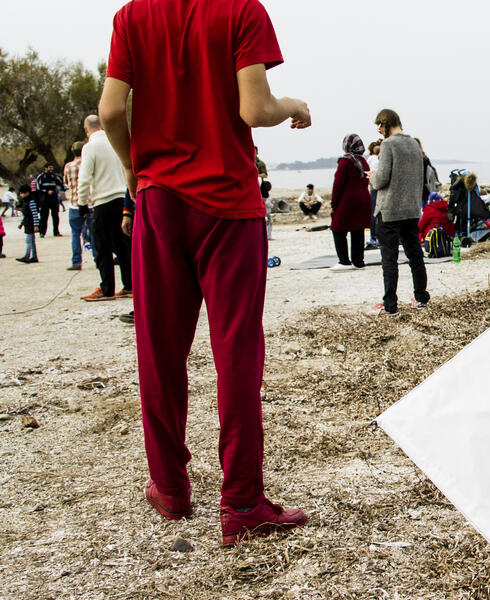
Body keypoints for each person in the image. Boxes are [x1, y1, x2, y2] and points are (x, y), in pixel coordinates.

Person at [100, 0, 312, 545]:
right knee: (236, 353)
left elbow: (110, 111)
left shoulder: (132, 17)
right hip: (228, 203)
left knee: (160, 350)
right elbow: (254, 109)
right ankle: (241, 503)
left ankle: (170, 487)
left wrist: (134, 168)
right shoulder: (242, 11)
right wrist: (294, 105)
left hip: (159, 201)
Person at [370, 108, 429, 314]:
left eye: (380, 126)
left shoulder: (388, 144)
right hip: (411, 209)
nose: (379, 130)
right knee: (415, 255)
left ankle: (390, 305)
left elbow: (382, 179)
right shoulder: (413, 143)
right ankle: (421, 297)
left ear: (386, 123)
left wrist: (372, 178)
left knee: (389, 258)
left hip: (390, 209)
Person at [79, 114, 132, 302]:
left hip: (103, 200)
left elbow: (84, 177)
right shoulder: (113, 143)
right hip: (121, 198)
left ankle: (107, 288)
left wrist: (82, 203)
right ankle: (129, 285)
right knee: (122, 245)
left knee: (102, 247)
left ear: (86, 129)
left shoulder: (90, 147)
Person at [330, 134, 371, 270]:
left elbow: (338, 185)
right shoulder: (363, 161)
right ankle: (358, 261)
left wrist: (333, 205)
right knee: (358, 229)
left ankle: (344, 261)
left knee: (338, 229)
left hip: (348, 200)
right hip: (364, 198)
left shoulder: (345, 162)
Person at [63, 142, 88, 270]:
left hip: (74, 204)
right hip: (89, 202)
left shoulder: (68, 166)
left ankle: (76, 261)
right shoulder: (87, 163)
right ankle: (97, 258)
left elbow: (66, 182)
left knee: (75, 234)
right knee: (94, 233)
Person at [34, 164, 65, 237]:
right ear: (45, 168)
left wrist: (60, 190)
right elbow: (38, 188)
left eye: (52, 167)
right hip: (44, 200)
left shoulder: (55, 176)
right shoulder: (41, 177)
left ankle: (56, 232)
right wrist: (46, 192)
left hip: (54, 200)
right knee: (44, 217)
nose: (51, 169)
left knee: (55, 216)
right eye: (50, 167)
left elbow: (61, 184)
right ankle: (42, 232)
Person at [15, 186, 38, 263]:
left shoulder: (31, 202)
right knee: (32, 241)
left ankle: (26, 256)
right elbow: (26, 215)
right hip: (27, 223)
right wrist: (21, 223)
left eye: (22, 193)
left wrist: (36, 225)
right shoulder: (25, 202)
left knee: (28, 241)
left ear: (27, 193)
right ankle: (34, 257)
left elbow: (35, 214)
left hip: (31, 224)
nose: (20, 195)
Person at [365, 139, 381, 250]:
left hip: (373, 188)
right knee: (380, 213)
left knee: (373, 213)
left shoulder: (370, 159)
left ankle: (373, 236)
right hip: (380, 187)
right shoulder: (379, 159)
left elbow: (367, 172)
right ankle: (378, 236)